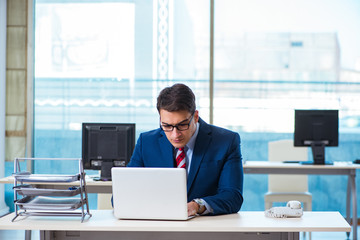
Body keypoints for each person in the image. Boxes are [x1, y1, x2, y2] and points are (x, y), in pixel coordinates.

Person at [127, 83, 244, 216]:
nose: (175, 134)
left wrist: (197, 205)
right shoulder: (146, 142)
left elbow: (233, 196)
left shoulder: (226, 141)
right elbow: (123, 194)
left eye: (182, 125)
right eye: (166, 126)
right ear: (160, 119)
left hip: (205, 226)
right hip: (156, 224)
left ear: (195, 116)